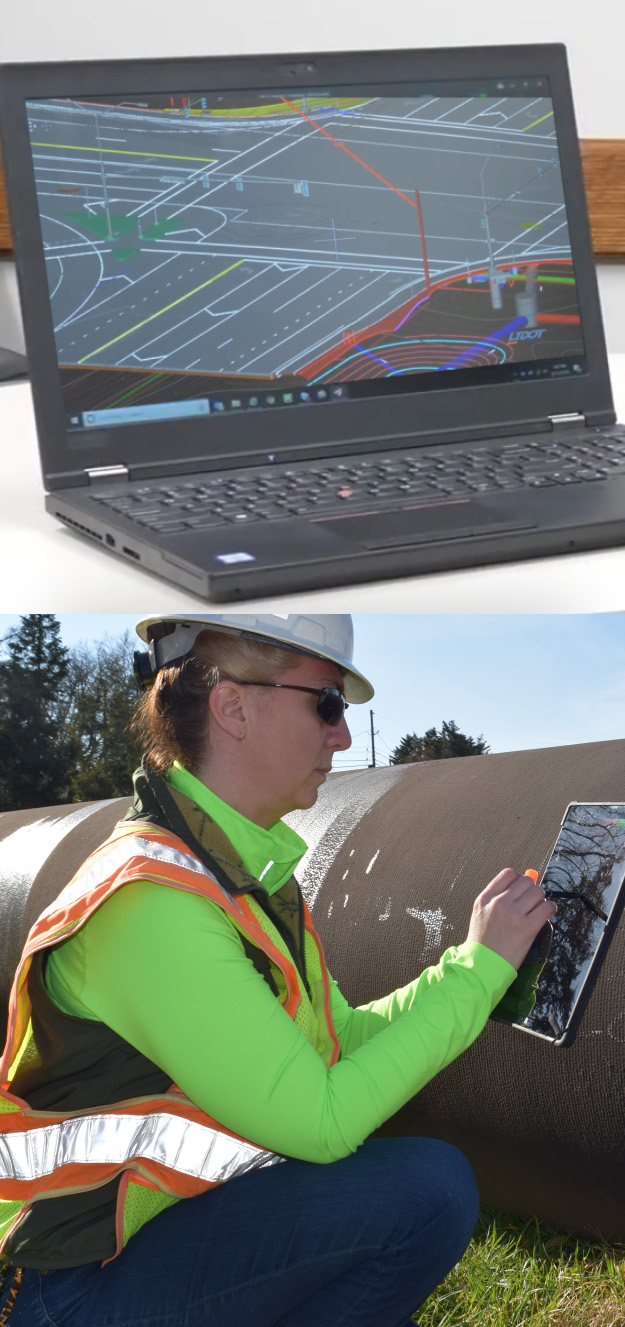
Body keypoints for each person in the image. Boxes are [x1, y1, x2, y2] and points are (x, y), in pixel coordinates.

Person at [0, 613, 556, 1327]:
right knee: (427, 1188)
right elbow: (321, 1120)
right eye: (325, 703)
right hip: (68, 1296)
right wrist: (477, 974)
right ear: (232, 705)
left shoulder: (245, 876)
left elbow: (341, 1038)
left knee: (417, 1185)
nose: (344, 736)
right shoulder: (150, 900)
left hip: (155, 1245)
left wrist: (474, 966)